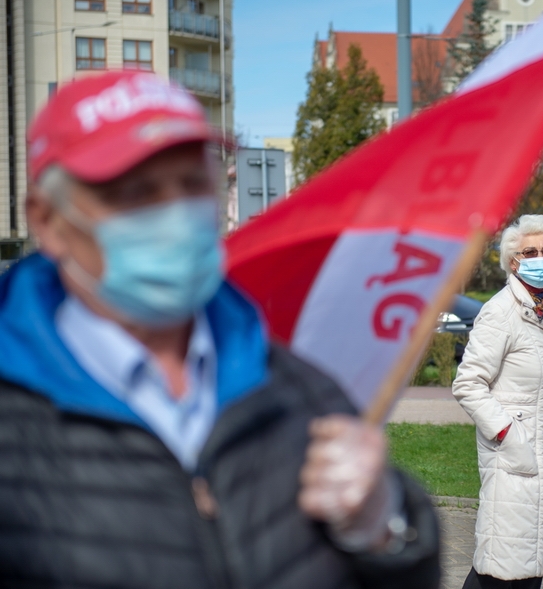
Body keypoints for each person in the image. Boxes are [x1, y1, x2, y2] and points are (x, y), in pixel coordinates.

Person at [0, 70, 440, 588]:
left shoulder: (297, 386)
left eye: (192, 185)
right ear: (49, 221)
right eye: (135, 193)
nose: (174, 215)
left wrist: (386, 530)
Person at [452, 214, 543, 589]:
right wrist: (508, 433)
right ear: (513, 260)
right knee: (499, 564)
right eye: (530, 251)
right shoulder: (501, 311)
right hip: (514, 457)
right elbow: (468, 383)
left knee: (530, 565)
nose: (540, 257)